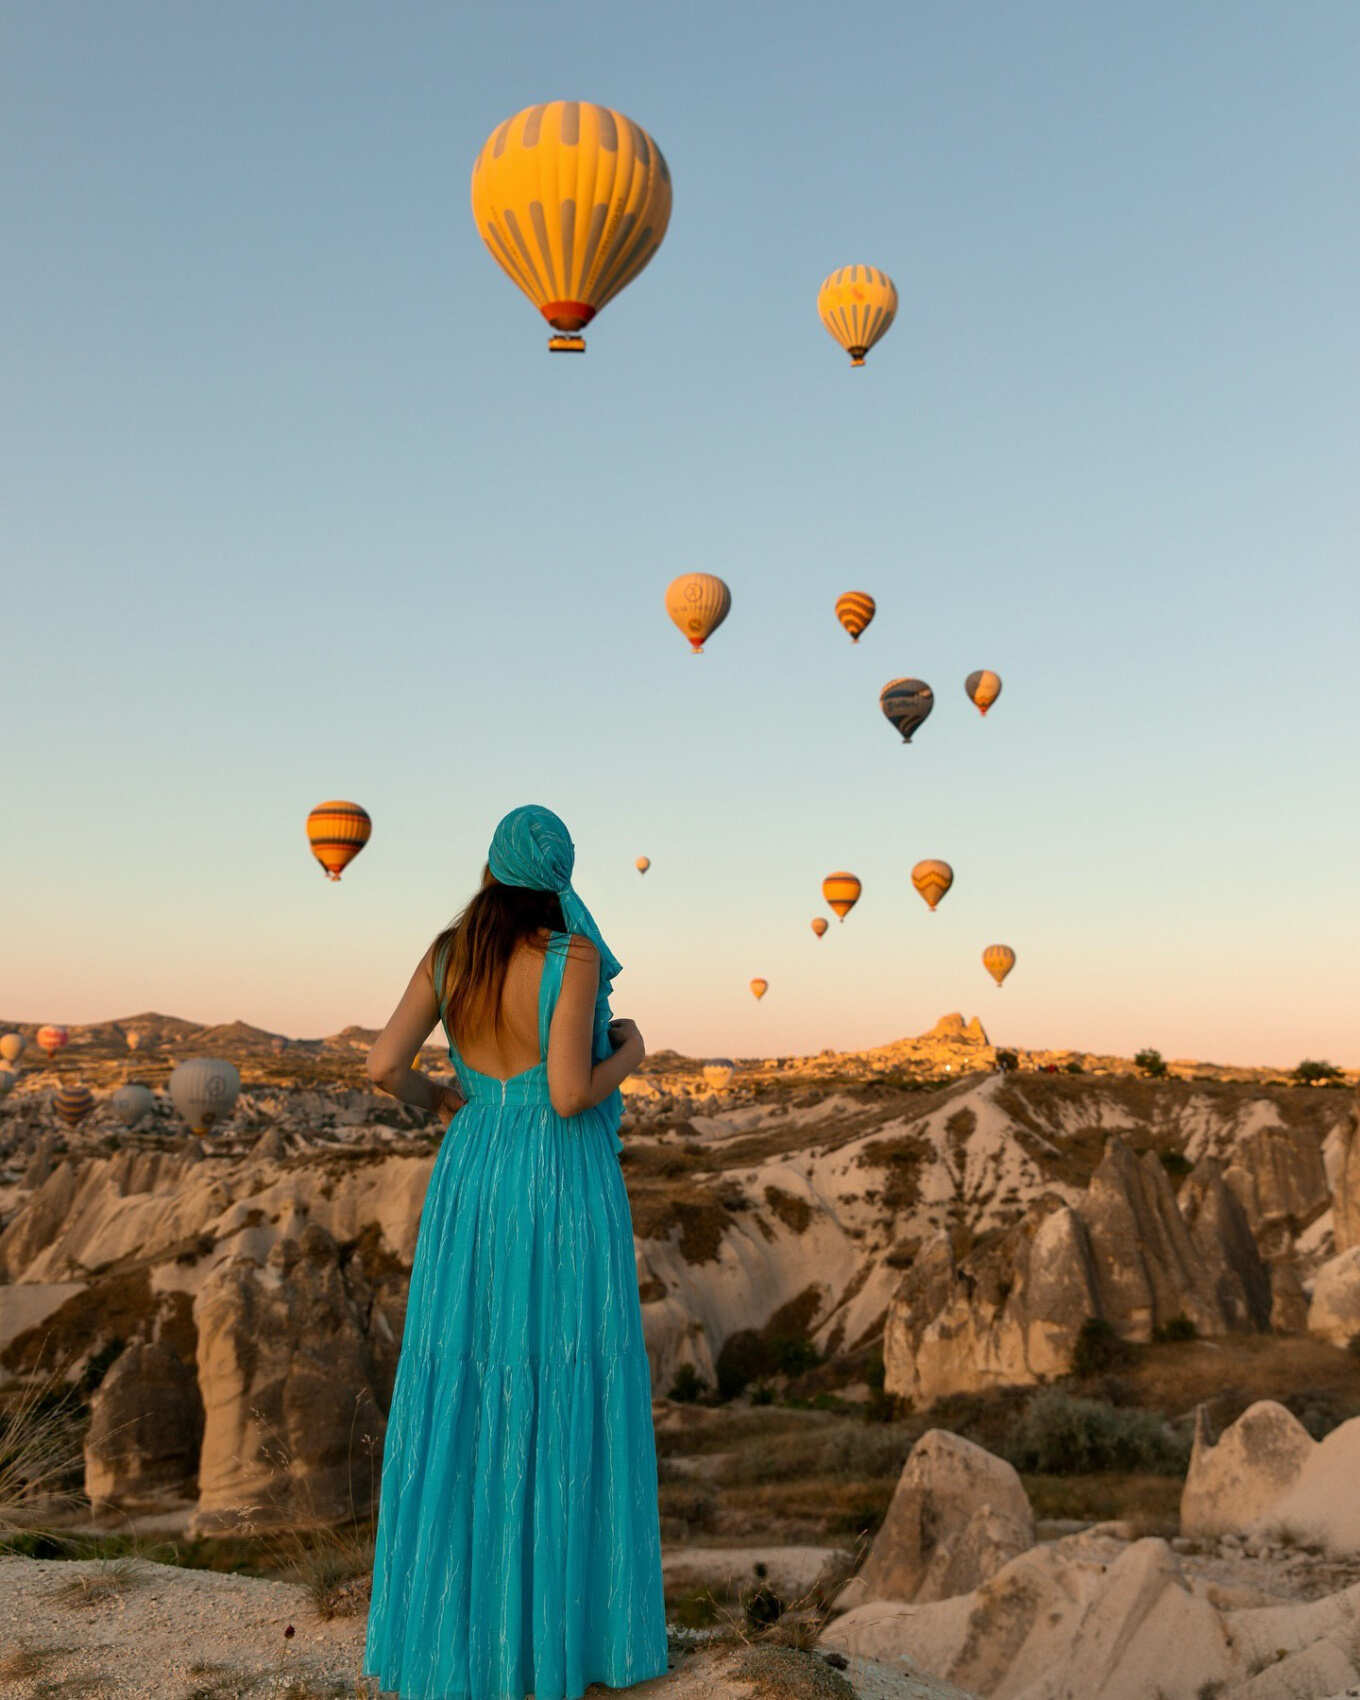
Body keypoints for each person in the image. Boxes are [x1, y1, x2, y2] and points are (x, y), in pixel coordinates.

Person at [361, 804, 668, 1700]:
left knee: (468, 1378)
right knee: (562, 1374)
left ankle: (459, 1631)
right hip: (556, 1179)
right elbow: (572, 1095)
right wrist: (635, 1056)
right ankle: (563, 1635)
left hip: (474, 1171)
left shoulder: (449, 953)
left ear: (493, 867)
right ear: (560, 878)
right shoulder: (569, 958)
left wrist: (442, 1104)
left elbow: (383, 1065)